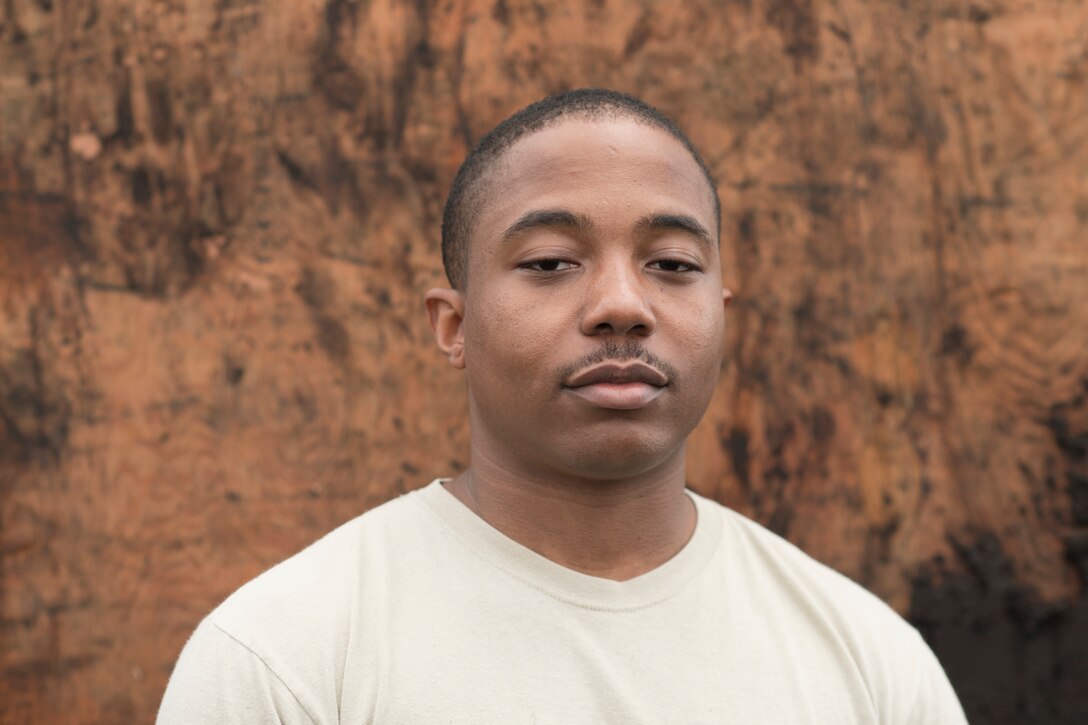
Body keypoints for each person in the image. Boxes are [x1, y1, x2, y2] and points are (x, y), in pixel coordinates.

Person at [158, 88, 967, 724]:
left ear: (722, 308)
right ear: (455, 324)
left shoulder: (871, 664)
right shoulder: (285, 660)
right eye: (550, 262)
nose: (622, 304)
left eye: (672, 264)